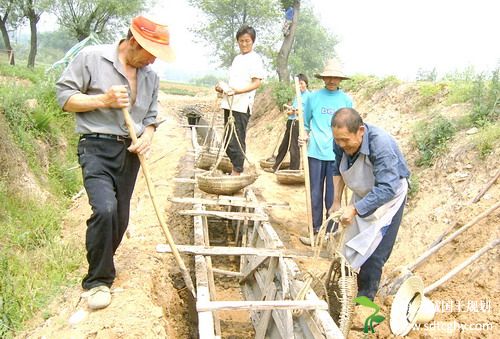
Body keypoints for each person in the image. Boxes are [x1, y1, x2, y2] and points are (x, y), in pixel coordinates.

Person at [56, 16, 174, 310]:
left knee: (120, 218)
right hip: (96, 147)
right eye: (151, 54)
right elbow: (65, 97)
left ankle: (103, 261)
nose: (153, 62)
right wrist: (104, 100)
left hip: (130, 154)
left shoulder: (151, 77)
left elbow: (150, 118)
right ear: (133, 43)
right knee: (105, 209)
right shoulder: (91, 58)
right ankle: (97, 281)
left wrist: (148, 134)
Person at [329, 107, 409, 303]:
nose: (341, 144)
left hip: (388, 199)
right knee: (349, 247)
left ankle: (364, 301)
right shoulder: (340, 140)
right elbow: (337, 168)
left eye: (345, 140)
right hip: (362, 193)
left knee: (374, 252)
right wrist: (337, 201)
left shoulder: (380, 144)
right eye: (337, 140)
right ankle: (344, 291)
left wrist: (355, 209)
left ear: (361, 131)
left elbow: (387, 188)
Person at [299, 59, 353, 245]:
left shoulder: (346, 100)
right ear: (323, 78)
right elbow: (305, 123)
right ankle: (314, 230)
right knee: (314, 192)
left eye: (335, 78)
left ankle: (329, 233)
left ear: (340, 79)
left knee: (333, 196)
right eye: (328, 77)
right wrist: (304, 135)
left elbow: (351, 127)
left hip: (336, 155)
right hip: (314, 151)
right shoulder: (313, 97)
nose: (331, 80)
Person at [215, 25, 265, 176]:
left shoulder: (255, 59)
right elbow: (233, 82)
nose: (244, 44)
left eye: (247, 41)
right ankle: (234, 167)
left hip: (242, 105)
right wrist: (223, 88)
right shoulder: (237, 59)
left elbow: (256, 83)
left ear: (252, 41)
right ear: (237, 41)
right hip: (230, 103)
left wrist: (237, 91)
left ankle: (237, 171)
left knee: (236, 140)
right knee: (227, 139)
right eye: (241, 41)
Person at [272, 73, 310, 172]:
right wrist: (291, 111)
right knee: (284, 145)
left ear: (306, 83)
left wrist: (295, 111)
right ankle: (276, 166)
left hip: (298, 123)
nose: (300, 86)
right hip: (291, 122)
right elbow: (291, 112)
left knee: (294, 147)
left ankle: (294, 169)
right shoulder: (297, 96)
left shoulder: (308, 96)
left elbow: (305, 112)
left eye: (302, 83)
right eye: (298, 84)